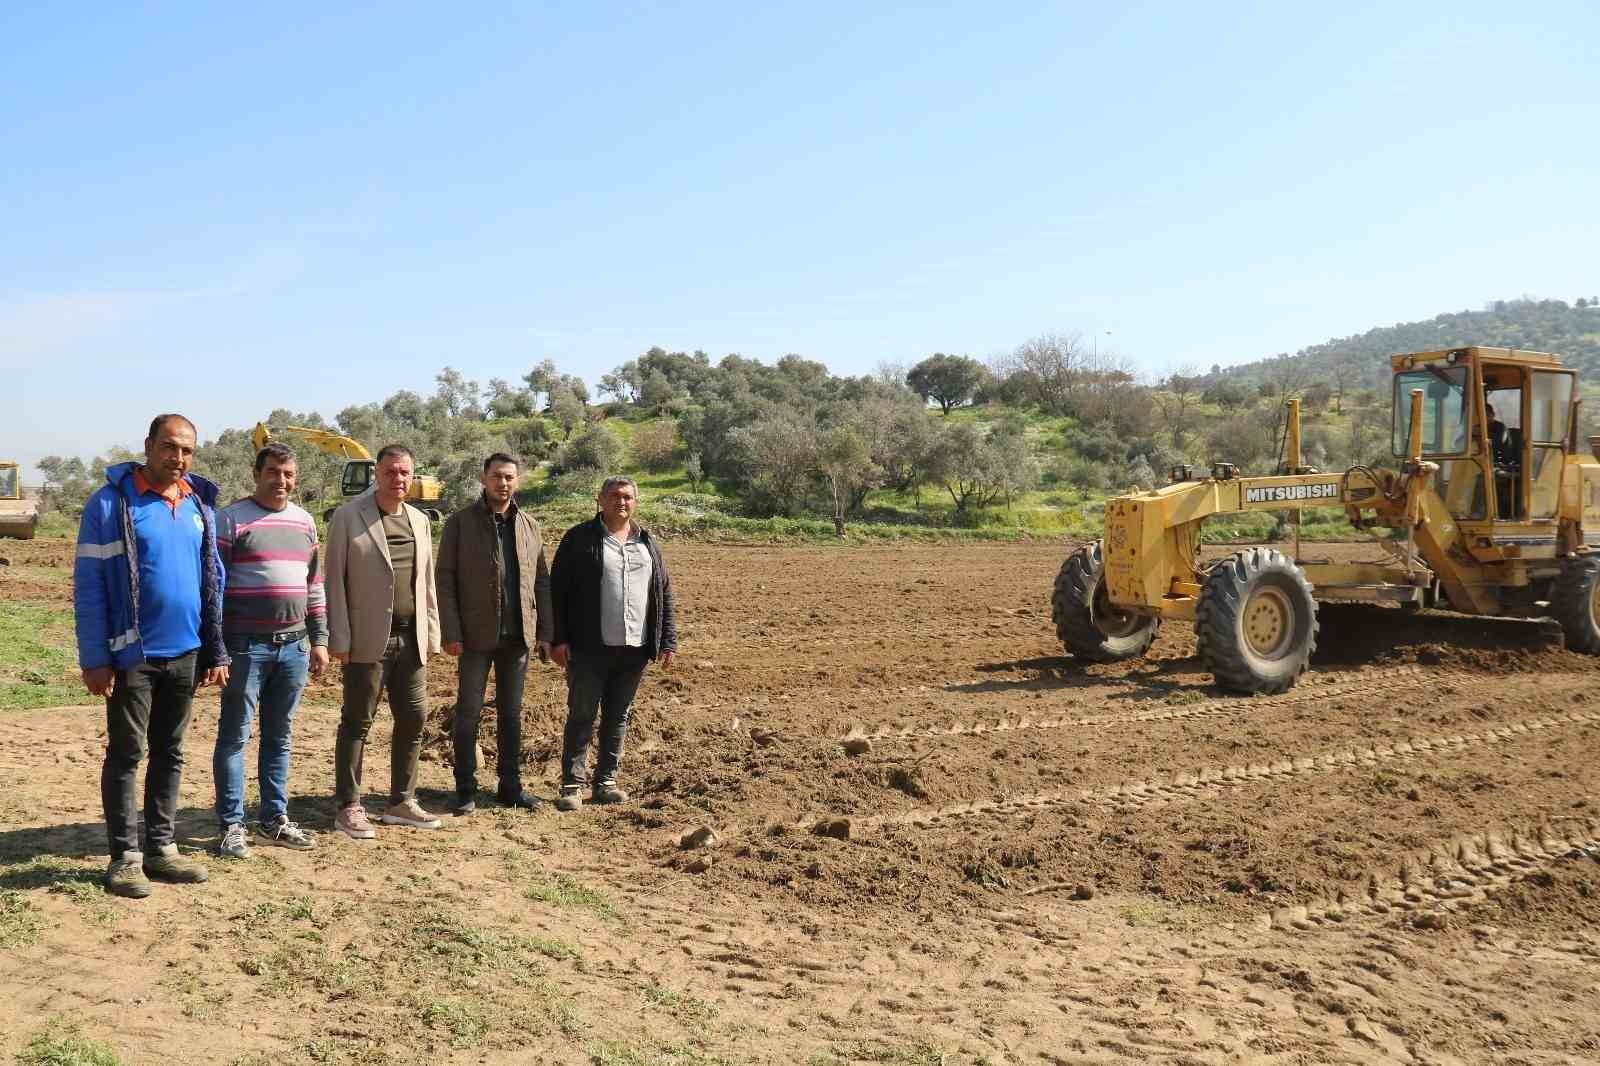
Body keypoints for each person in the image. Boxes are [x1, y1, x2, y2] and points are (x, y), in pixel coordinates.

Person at [74, 414, 229, 898]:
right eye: (168, 447)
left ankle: (161, 847)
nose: (177, 457)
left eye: (186, 450)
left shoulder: (198, 505)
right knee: (127, 753)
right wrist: (95, 657)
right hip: (130, 656)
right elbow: (89, 587)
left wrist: (215, 648)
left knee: (172, 751)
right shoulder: (110, 504)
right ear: (148, 445)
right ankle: (125, 858)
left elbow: (213, 583)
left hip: (185, 652)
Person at [211, 443, 329, 858]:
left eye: (289, 474)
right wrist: (219, 651)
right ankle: (231, 825)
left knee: (279, 737)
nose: (282, 481)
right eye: (274, 472)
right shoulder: (229, 519)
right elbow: (214, 591)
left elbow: (314, 585)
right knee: (235, 736)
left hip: (294, 647)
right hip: (246, 649)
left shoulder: (305, 522)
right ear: (256, 473)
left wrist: (319, 640)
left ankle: (273, 820)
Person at [324, 445, 443, 838]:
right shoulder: (348, 517)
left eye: (405, 472)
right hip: (366, 640)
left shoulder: (419, 520)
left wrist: (432, 632)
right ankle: (349, 807)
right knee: (357, 722)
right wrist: (337, 636)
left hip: (412, 640)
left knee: (413, 719)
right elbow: (334, 583)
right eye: (391, 472)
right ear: (377, 473)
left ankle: (401, 801)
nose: (399, 479)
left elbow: (426, 583)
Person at [549, 475, 677, 812]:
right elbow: (557, 592)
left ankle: (605, 782)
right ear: (600, 500)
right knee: (582, 714)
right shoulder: (579, 539)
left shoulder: (647, 542)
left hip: (635, 648)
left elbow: (663, 592)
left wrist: (667, 640)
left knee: (618, 716)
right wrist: (558, 638)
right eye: (615, 496)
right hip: (589, 647)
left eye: (628, 497)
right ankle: (572, 786)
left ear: (636, 502)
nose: (622, 502)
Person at [438, 453, 554, 814]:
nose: (502, 484)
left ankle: (510, 787)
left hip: (518, 638)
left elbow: (541, 582)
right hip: (474, 637)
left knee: (512, 714)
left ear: (516, 481)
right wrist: (451, 631)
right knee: (468, 712)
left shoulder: (530, 526)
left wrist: (545, 632)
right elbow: (444, 581)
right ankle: (465, 789)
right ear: (484, 479)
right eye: (495, 477)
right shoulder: (460, 524)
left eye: (508, 477)